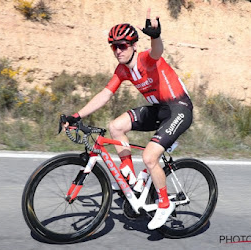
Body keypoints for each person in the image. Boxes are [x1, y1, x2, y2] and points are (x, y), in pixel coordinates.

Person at [64, 8, 193, 230]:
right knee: (115, 126)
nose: (117, 51)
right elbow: (104, 95)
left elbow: (157, 51)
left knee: (149, 156)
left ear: (134, 46)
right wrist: (77, 115)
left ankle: (164, 204)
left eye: (122, 45)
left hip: (179, 109)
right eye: (114, 46)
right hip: (159, 109)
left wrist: (155, 36)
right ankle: (131, 182)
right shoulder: (122, 70)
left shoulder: (146, 59)